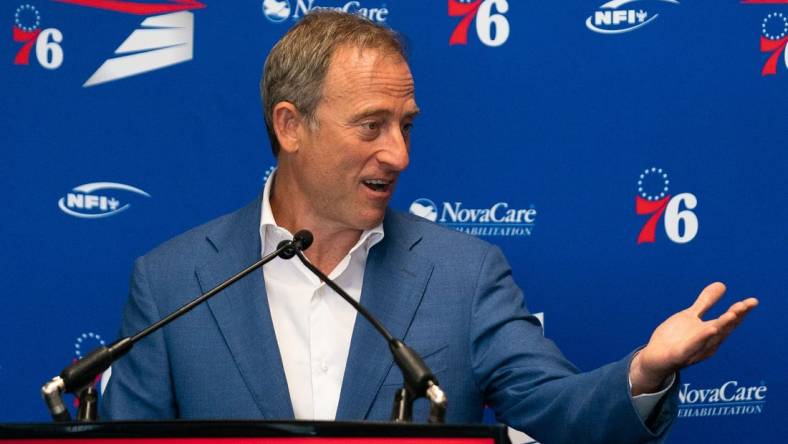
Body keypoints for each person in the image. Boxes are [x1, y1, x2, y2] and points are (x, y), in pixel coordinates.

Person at [100, 11, 758, 443]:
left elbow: (559, 413)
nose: (399, 155)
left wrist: (642, 372)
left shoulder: (462, 274)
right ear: (290, 125)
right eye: (372, 125)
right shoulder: (171, 281)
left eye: (406, 125)